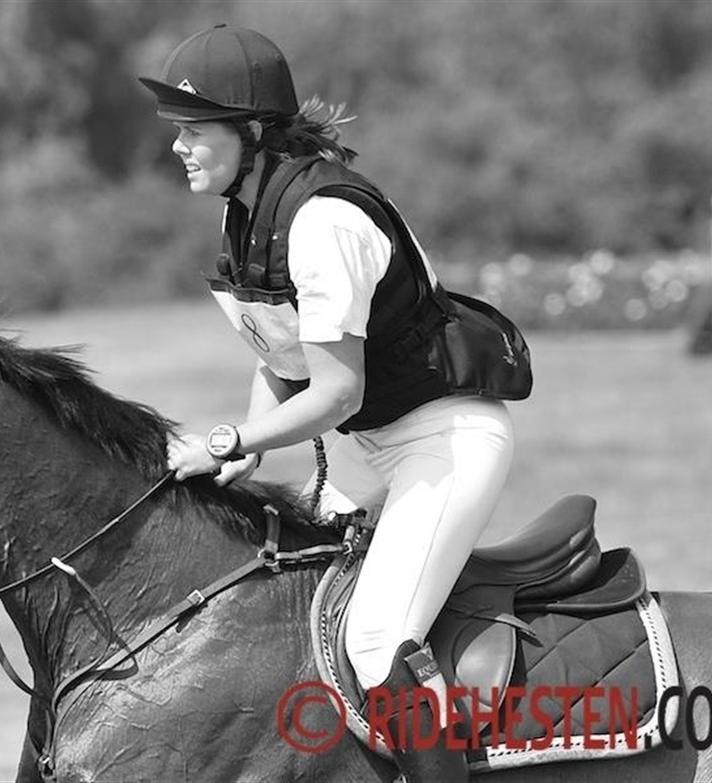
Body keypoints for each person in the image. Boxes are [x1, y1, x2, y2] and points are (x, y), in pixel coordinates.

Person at [141, 24, 531, 783]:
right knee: (279, 592)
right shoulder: (245, 211)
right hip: (367, 443)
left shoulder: (324, 221)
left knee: (377, 644)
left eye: (194, 130)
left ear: (253, 132)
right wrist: (251, 443)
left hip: (441, 441)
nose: (178, 147)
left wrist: (231, 440)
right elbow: (283, 359)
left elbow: (337, 390)